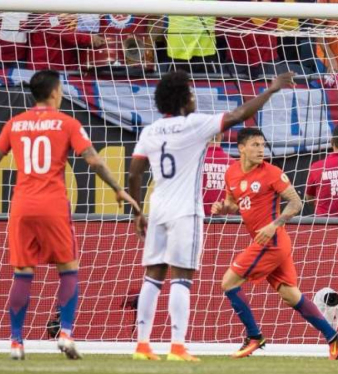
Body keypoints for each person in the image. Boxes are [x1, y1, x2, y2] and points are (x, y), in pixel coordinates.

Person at [0, 70, 139, 360]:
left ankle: (16, 342)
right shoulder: (67, 123)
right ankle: (66, 332)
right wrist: (118, 189)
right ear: (55, 92)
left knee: (23, 273)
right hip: (53, 205)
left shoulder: (15, 124)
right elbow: (93, 160)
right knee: (68, 268)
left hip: (21, 205)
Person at [127, 71, 295, 361]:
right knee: (181, 278)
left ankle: (142, 345)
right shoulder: (194, 124)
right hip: (185, 212)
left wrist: (137, 211)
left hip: (157, 210)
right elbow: (240, 113)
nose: (194, 97)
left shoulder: (151, 131)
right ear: (182, 99)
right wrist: (271, 90)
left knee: (152, 277)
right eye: (190, 93)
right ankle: (177, 347)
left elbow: (134, 174)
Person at [211, 127, 338, 359]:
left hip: (272, 241)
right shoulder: (231, 173)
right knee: (290, 295)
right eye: (255, 145)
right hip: (267, 241)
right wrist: (223, 207)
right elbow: (234, 202)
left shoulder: (272, 172)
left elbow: (296, 203)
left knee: (228, 282)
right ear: (241, 148)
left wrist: (274, 224)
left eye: (263, 145)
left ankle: (254, 336)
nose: (260, 150)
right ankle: (334, 338)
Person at [203, 133, 235, 216]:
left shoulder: (195, 162)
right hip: (227, 224)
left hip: (200, 223)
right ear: (223, 136)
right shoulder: (234, 164)